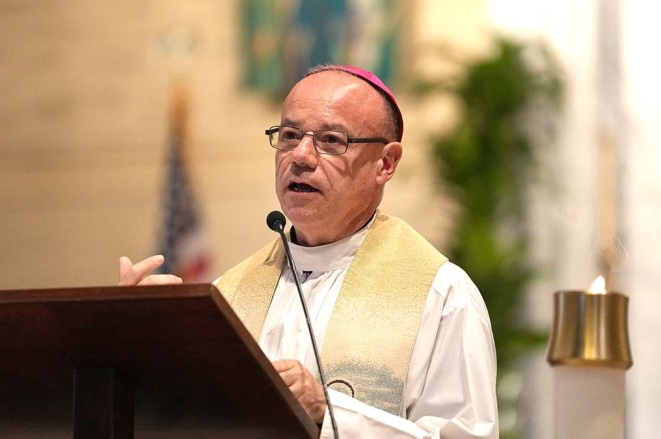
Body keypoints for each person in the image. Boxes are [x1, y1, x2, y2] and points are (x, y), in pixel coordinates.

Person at [119, 65, 498, 438]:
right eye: (289, 135)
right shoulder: (228, 298)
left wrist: (330, 414)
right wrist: (141, 345)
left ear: (386, 163)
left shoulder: (442, 295)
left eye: (332, 140)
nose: (300, 155)